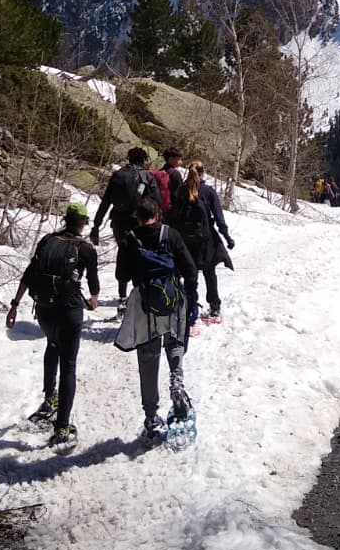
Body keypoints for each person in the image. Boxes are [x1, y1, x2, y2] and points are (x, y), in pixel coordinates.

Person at [6, 201, 99, 448]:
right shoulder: (85, 248)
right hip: (69, 311)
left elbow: (29, 274)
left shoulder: (47, 241)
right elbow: (93, 283)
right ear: (82, 223)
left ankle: (50, 399)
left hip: (45, 310)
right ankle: (62, 428)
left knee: (52, 345)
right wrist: (93, 300)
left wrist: (15, 305)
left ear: (66, 219)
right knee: (68, 365)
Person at [114, 195, 197, 441]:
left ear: (137, 218)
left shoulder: (129, 239)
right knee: (174, 341)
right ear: (157, 215)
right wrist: (191, 299)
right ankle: (177, 380)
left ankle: (151, 417)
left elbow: (121, 275)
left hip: (145, 305)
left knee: (148, 359)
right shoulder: (170, 235)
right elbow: (190, 270)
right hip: (172, 299)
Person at [90, 146, 161, 303]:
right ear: (143, 160)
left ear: (129, 158)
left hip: (119, 221)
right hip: (140, 221)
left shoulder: (118, 175)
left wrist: (96, 225)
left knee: (123, 254)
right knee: (140, 255)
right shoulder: (146, 176)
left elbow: (105, 201)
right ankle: (139, 292)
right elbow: (157, 201)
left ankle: (122, 296)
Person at [174, 161, 233, 324]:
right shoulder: (208, 191)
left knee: (189, 275)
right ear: (203, 172)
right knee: (209, 272)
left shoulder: (181, 190)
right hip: (205, 240)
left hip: (185, 241)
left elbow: (174, 216)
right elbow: (219, 218)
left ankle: (190, 309)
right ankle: (214, 308)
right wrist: (227, 237)